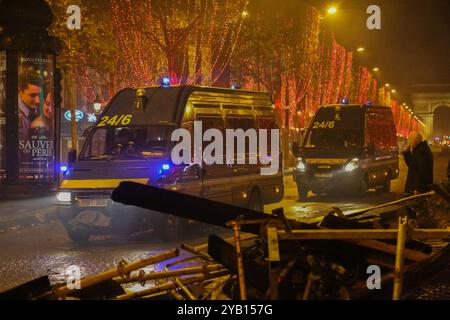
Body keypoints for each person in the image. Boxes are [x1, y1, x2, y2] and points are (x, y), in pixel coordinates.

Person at [18, 71, 43, 144]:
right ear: (20, 91)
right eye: (33, 95)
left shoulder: (42, 109)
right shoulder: (11, 112)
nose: (38, 100)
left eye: (39, 95)